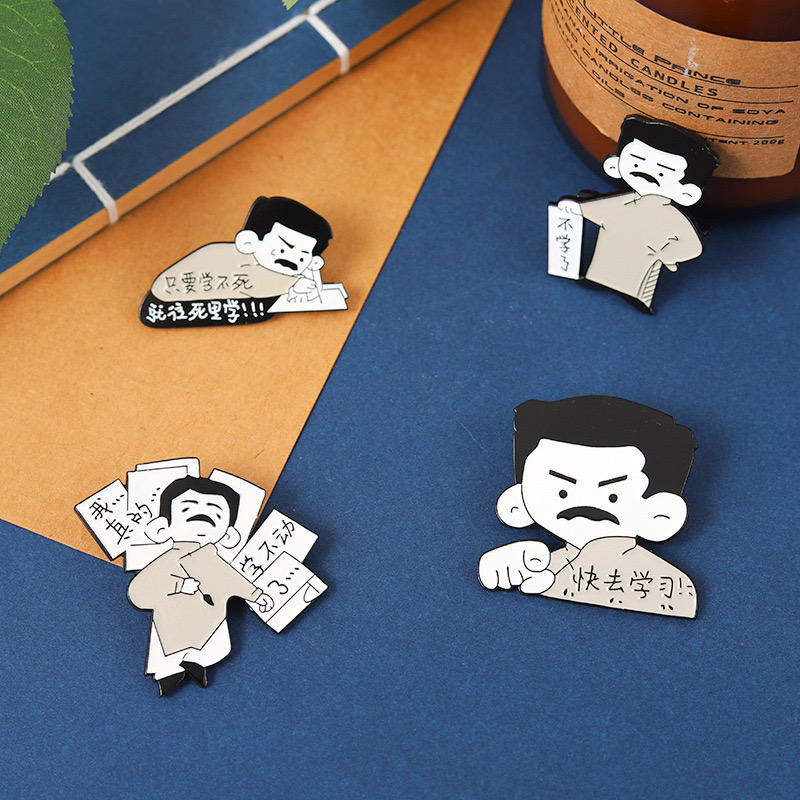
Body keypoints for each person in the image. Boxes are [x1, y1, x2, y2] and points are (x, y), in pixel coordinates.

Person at [478, 396, 698, 617]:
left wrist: (546, 580)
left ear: (662, 515)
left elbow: (677, 602)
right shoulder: (537, 565)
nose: (584, 503)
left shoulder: (669, 587)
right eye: (562, 492)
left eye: (613, 496)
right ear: (517, 503)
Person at [127, 475, 273, 695]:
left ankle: (191, 664)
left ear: (229, 535)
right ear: (162, 528)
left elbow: (233, 579)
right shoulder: (166, 560)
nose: (203, 515)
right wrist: (179, 585)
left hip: (212, 620)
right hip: (172, 622)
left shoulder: (213, 559)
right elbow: (139, 592)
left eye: (216, 515)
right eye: (187, 510)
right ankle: (172, 674)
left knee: (219, 648)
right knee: (167, 658)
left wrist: (256, 595)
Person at [556, 115, 718, 311]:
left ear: (687, 192)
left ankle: (636, 298)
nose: (647, 172)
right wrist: (577, 209)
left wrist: (667, 254)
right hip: (611, 248)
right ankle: (595, 280)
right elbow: (599, 211)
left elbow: (692, 246)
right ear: (616, 164)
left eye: (663, 171)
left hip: (644, 257)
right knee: (602, 267)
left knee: (636, 279)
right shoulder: (623, 201)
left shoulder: (673, 217)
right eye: (637, 162)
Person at [139, 195, 333, 327]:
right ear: (249, 242)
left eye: (302, 256)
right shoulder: (214, 258)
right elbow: (157, 304)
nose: (291, 259)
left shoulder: (291, 278)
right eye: (284, 248)